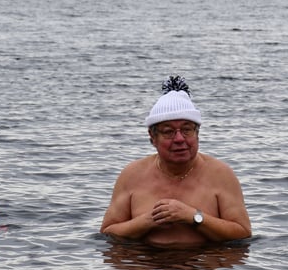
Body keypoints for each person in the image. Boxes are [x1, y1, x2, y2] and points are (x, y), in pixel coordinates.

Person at [100, 76, 251, 247]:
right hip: (145, 261)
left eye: (187, 130)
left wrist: (193, 216)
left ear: (197, 133)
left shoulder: (220, 174)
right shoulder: (132, 175)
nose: (179, 139)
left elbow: (243, 233)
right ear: (153, 137)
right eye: (168, 132)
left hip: (205, 261)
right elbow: (107, 232)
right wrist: (147, 221)